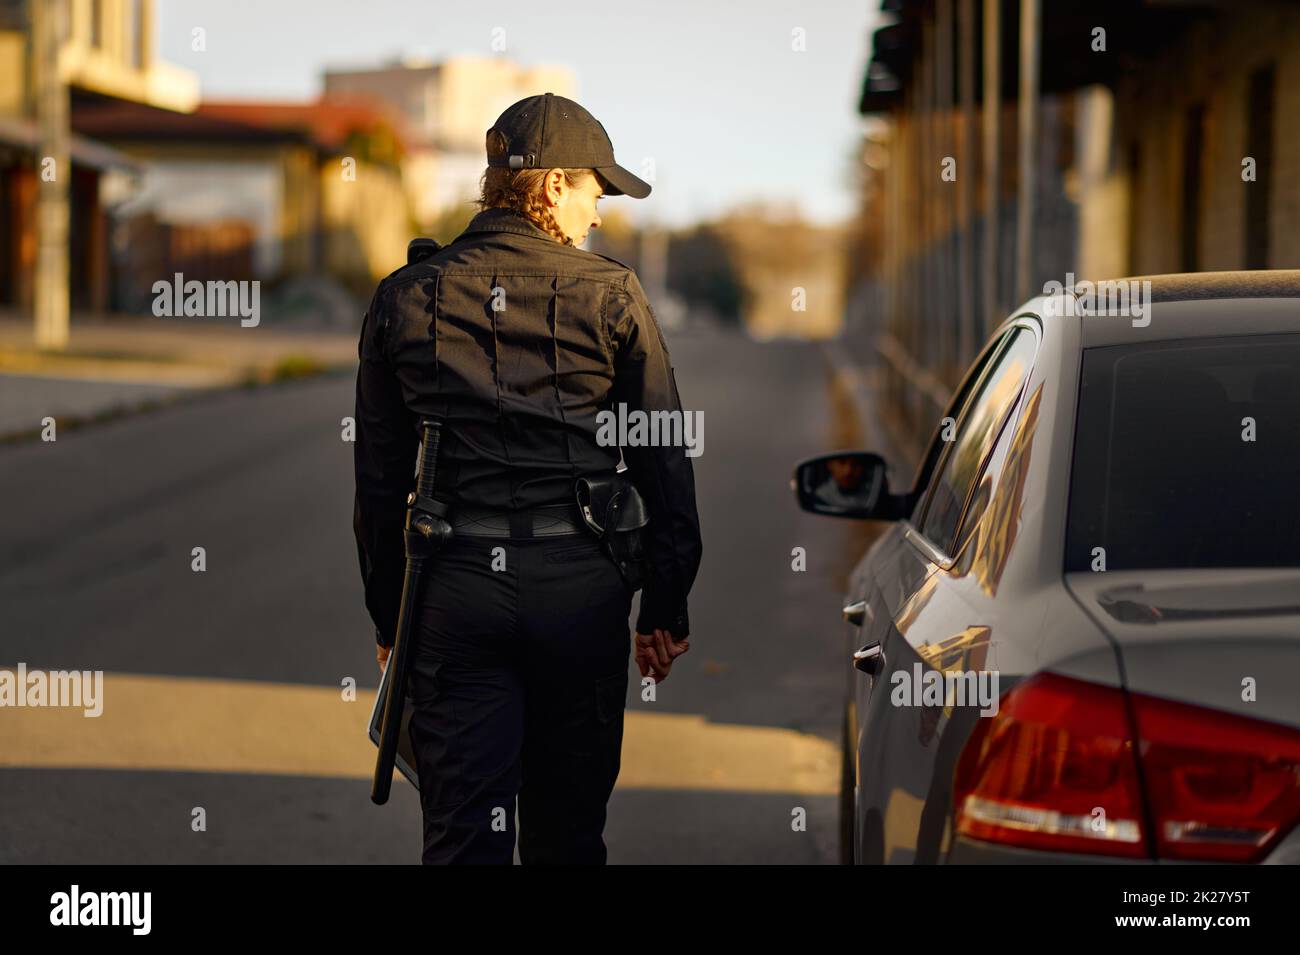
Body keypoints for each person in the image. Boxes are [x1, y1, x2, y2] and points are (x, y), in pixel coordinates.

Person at [352, 92, 703, 864]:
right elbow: (662, 456)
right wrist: (663, 604)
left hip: (452, 592)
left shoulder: (405, 297)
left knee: (462, 836)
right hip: (580, 591)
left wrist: (391, 618)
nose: (600, 213)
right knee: (568, 835)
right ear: (550, 188)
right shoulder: (613, 296)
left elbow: (378, 484)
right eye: (594, 190)